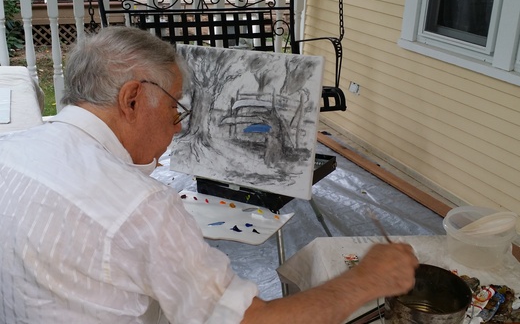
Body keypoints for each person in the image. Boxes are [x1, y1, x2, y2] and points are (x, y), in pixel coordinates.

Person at [0, 26, 418, 324]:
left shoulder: (9, 152)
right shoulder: (142, 208)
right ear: (131, 100)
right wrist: (366, 280)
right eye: (173, 109)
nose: (179, 126)